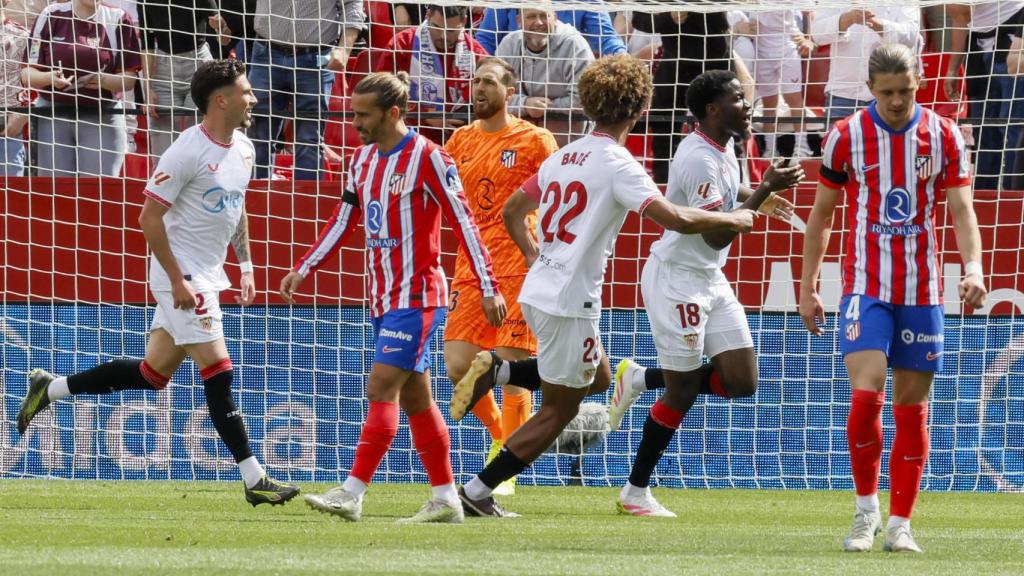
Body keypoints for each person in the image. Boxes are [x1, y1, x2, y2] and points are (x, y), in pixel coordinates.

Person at [453, 55, 755, 517]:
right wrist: (733, 216)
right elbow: (673, 218)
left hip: (541, 288)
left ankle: (502, 372)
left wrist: (536, 255)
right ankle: (476, 491)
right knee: (560, 410)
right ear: (638, 108)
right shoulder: (619, 164)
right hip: (571, 299)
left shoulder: (564, 154)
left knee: (596, 377)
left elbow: (513, 209)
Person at [16, 59, 300, 506]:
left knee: (153, 374)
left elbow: (237, 206)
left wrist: (244, 266)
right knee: (219, 372)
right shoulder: (185, 151)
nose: (254, 97)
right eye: (246, 91)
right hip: (181, 274)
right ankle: (254, 479)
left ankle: (48, 388)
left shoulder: (245, 148)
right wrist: (176, 280)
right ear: (221, 99)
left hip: (210, 273)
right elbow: (149, 217)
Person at [281, 71, 504, 524]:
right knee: (416, 400)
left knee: (381, 387)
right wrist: (305, 267)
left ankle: (351, 492)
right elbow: (344, 220)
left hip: (419, 296)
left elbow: (464, 223)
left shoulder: (430, 157)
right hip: (381, 299)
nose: (355, 122)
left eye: (364, 115)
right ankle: (445, 498)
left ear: (394, 113)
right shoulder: (360, 161)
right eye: (353, 113)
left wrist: (488, 285)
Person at [799, 44, 987, 553]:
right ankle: (865, 512)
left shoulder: (945, 135)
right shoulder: (845, 137)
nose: (899, 101)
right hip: (866, 286)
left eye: (906, 90)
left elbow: (962, 211)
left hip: (922, 290)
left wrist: (973, 268)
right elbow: (821, 215)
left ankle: (902, 523)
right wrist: (808, 285)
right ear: (869, 90)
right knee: (867, 395)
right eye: (887, 93)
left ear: (920, 79)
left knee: (911, 405)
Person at [604, 70, 803, 517]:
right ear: (713, 110)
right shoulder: (696, 157)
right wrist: (766, 187)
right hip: (678, 279)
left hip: (709, 278)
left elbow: (726, 197)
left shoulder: (724, 144)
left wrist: (758, 195)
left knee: (742, 381)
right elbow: (716, 235)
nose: (747, 103)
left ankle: (638, 378)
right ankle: (634, 493)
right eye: (737, 97)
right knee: (682, 392)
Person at [442, 56, 558, 496]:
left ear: (510, 92)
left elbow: (558, 193)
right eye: (474, 82)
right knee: (458, 365)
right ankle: (498, 438)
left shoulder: (535, 140)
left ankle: (502, 468)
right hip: (470, 264)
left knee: (510, 364)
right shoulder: (458, 140)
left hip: (518, 262)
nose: (478, 89)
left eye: (488, 82)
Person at [22, 0, 142, 177]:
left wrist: (102, 80)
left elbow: (129, 79)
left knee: (98, 193)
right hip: (52, 114)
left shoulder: (119, 18)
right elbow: (26, 74)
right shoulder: (50, 14)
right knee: (56, 193)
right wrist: (50, 78)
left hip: (102, 115)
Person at [248, 0, 366, 180]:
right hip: (265, 52)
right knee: (259, 135)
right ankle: (256, 201)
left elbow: (352, 4)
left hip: (315, 58)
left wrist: (344, 49)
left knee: (309, 139)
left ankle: (308, 203)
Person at [374, 4, 489, 144]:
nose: (443, 36)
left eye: (451, 30)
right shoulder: (402, 44)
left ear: (464, 21)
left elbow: (492, 96)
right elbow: (381, 93)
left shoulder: (475, 52)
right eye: (438, 27)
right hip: (407, 135)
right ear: (428, 15)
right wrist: (424, 114)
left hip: (463, 139)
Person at [495, 8, 595, 146]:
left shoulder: (575, 45)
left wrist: (546, 107)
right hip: (517, 143)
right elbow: (495, 94)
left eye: (544, 15)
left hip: (568, 145)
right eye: (531, 16)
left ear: (554, 17)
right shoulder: (509, 43)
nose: (539, 22)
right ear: (519, 21)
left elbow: (585, 100)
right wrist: (525, 104)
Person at [810, 7, 921, 125]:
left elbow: (911, 36)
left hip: (890, 97)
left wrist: (875, 23)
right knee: (837, 142)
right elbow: (817, 34)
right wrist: (848, 18)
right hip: (842, 95)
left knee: (893, 144)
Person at [138, 0, 217, 158]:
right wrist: (148, 87)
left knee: (200, 140)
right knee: (162, 149)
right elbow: (147, 42)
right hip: (162, 66)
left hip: (198, 64)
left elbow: (220, 29)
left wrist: (222, 28)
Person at [476, 1, 626, 57]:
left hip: (567, 74)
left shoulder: (588, 2)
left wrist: (622, 59)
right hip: (516, 79)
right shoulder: (504, 3)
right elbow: (486, 40)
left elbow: (606, 38)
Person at [2, 7, 30, 176]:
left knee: (9, 201)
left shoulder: (22, 36)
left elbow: (34, 84)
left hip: (7, 135)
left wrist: (21, 117)